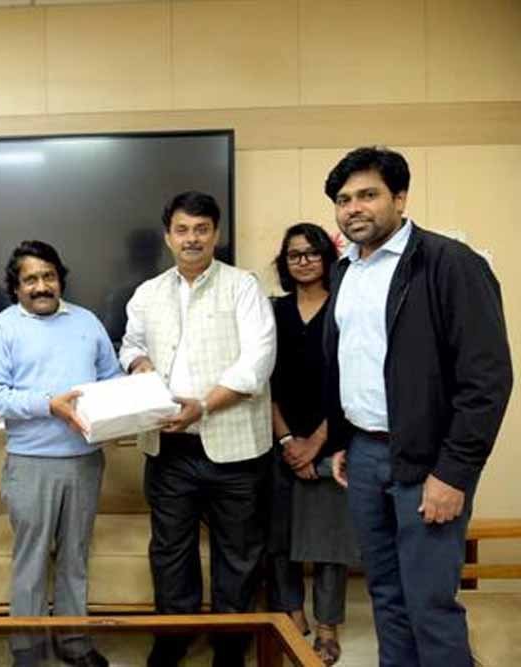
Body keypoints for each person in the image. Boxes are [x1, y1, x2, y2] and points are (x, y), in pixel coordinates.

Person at [323, 146, 513, 667]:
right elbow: (350, 362)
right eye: (344, 200)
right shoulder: (345, 271)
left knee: (430, 603)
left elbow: (487, 380)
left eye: (368, 195)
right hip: (364, 454)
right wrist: (343, 440)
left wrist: (453, 472)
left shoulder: (451, 263)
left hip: (430, 460)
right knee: (385, 595)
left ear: (400, 198)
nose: (354, 208)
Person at [119, 191, 276, 667]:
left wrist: (203, 406)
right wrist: (139, 363)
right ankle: (173, 636)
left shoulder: (243, 286)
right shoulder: (147, 293)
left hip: (236, 448)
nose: (192, 239)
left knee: (239, 553)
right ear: (168, 236)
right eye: (183, 230)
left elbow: (258, 362)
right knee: (170, 550)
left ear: (216, 234)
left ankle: (230, 645)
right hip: (168, 447)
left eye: (201, 229)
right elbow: (129, 344)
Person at [0, 240, 121, 667]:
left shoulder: (87, 321)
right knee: (32, 561)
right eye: (31, 279)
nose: (41, 286)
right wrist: (48, 405)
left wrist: (123, 409)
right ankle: (28, 648)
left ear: (60, 279)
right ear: (16, 286)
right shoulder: (1, 328)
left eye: (49, 276)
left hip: (84, 461)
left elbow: (111, 379)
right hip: (31, 463)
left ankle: (75, 642)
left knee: (75, 557)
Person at [266, 223, 358, 666]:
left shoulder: (345, 308)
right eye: (294, 254)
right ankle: (292, 616)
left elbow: (352, 380)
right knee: (279, 537)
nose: (303, 261)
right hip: (277, 439)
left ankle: (326, 626)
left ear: (326, 257)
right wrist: (287, 440)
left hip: (333, 442)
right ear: (284, 262)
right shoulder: (272, 311)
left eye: (311, 252)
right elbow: (262, 383)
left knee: (329, 542)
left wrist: (315, 443)